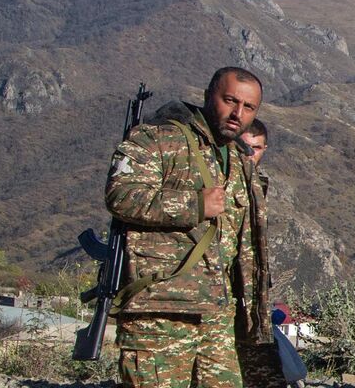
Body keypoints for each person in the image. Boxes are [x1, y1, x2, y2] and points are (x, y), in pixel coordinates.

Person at [104, 67, 264, 387]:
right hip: (160, 310)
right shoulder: (160, 138)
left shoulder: (241, 160)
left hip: (218, 313)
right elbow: (120, 195)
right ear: (208, 96)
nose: (237, 113)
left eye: (248, 107)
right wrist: (194, 205)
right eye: (230, 100)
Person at [234, 119, 287, 386]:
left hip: (254, 295)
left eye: (256, 147)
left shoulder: (262, 184)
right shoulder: (219, 180)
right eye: (245, 146)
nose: (250, 153)